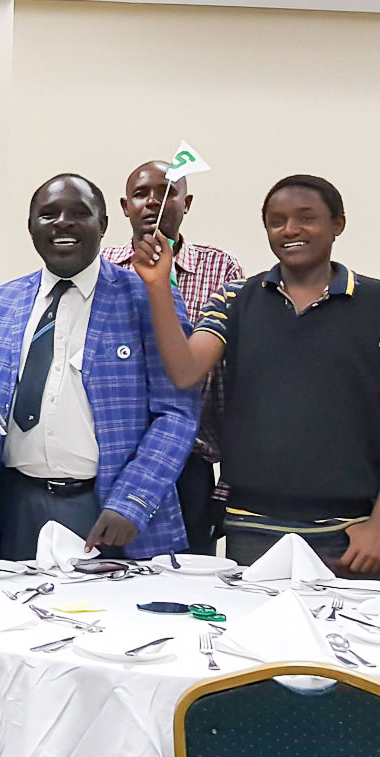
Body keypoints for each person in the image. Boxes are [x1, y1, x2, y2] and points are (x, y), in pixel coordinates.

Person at [134, 174, 380, 572]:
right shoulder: (235, 298)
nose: (291, 230)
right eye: (277, 221)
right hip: (251, 530)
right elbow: (184, 371)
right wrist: (158, 286)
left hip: (349, 533)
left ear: (338, 224)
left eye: (307, 218)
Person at [0, 174, 197, 564]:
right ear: (30, 227)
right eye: (48, 214)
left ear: (104, 224)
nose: (63, 223)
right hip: (19, 505)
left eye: (79, 213)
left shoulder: (147, 296)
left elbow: (178, 412)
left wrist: (133, 500)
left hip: (111, 511)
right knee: (27, 621)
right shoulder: (0, 303)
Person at [101, 161, 244, 554]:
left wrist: (227, 484)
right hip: (113, 454)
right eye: (141, 193)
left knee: (183, 584)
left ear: (188, 203)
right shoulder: (102, 268)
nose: (153, 202)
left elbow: (237, 381)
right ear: (124, 205)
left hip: (189, 459)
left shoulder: (221, 268)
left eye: (167, 192)